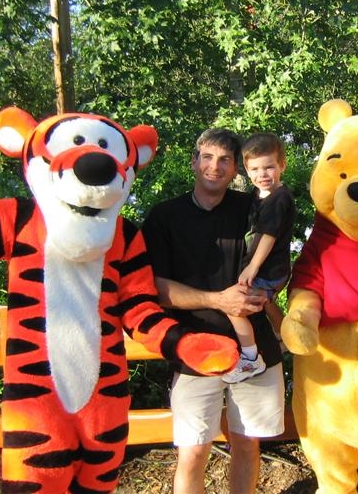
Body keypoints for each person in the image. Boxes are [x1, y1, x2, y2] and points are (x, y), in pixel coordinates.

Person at [141, 127, 285, 494]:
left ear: (236, 169)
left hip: (256, 349)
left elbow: (278, 258)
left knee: (247, 443)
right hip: (194, 348)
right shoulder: (164, 217)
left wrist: (277, 315)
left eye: (224, 160)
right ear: (194, 162)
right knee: (193, 450)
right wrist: (218, 300)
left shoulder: (253, 208)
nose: (214, 166)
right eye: (207, 157)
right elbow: (156, 288)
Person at [224, 132, 296, 383]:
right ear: (246, 169)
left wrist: (252, 267)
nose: (262, 174)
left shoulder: (279, 198)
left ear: (282, 165)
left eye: (269, 167)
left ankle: (250, 358)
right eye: (255, 169)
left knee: (234, 306)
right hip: (270, 269)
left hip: (268, 269)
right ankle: (285, 335)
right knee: (265, 301)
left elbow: (269, 235)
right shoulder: (260, 194)